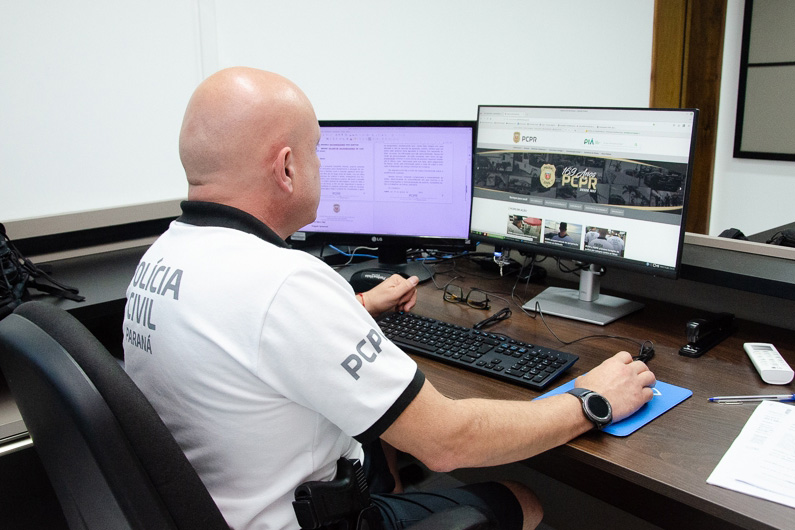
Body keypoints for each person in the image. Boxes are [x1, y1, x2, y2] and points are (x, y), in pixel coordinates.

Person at [123, 67, 656, 530]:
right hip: (311, 519)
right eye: (316, 151)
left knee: (386, 452)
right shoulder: (284, 284)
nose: (321, 165)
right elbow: (448, 443)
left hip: (221, 509)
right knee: (522, 500)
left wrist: (355, 309)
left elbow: (246, 341)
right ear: (286, 168)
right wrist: (589, 398)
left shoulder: (164, 257)